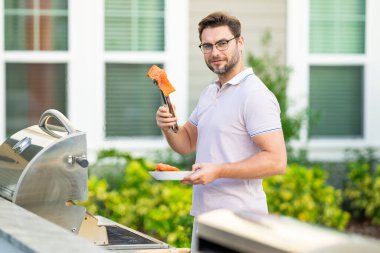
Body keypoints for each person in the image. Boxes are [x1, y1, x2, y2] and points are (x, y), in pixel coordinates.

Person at [155, 11, 287, 252]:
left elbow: (277, 160)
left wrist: (219, 171)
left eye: (222, 43)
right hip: (206, 219)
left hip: (241, 224)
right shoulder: (209, 93)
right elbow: (185, 142)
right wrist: (169, 127)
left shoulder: (254, 95)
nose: (214, 52)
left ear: (240, 42)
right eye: (207, 46)